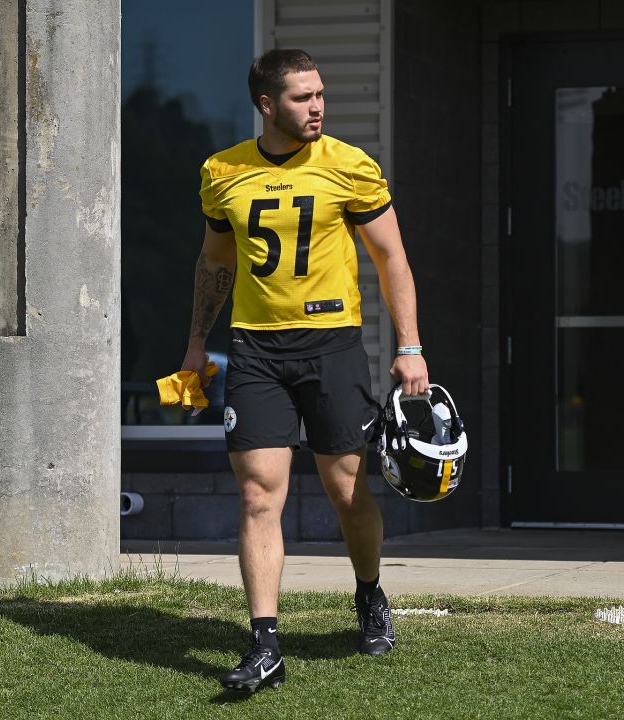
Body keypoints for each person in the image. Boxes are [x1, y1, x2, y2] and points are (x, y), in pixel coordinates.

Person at [181, 48, 428, 693]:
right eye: (301, 97)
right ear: (267, 104)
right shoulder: (222, 171)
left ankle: (369, 595)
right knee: (260, 493)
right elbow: (214, 264)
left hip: (331, 346)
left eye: (320, 94)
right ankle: (265, 643)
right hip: (256, 350)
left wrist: (411, 347)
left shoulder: (350, 166)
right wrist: (194, 347)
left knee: (347, 489)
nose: (317, 106)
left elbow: (391, 258)